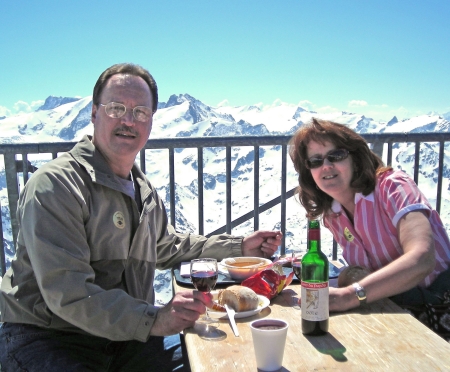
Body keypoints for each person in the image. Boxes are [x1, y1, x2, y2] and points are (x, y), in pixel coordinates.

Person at [0, 63, 282, 371]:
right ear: (94, 113)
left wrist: (239, 248)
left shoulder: (141, 188)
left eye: (140, 112)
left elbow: (168, 246)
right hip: (47, 338)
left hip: (122, 339)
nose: (128, 120)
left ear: (151, 121)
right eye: (116, 108)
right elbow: (68, 293)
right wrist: (155, 319)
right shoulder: (56, 186)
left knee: (219, 356)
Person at [289, 118, 450, 314]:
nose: (326, 166)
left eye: (336, 155)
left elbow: (422, 258)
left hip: (438, 307)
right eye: (316, 161)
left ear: (355, 160)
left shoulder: (392, 186)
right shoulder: (334, 216)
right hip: (395, 310)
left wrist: (349, 295)